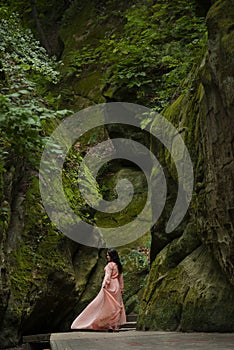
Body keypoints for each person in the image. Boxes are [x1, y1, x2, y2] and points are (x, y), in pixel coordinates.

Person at [71, 248, 126, 331]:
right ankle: (115, 326)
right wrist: (121, 288)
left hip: (110, 285)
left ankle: (108, 325)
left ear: (112, 256)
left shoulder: (109, 265)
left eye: (108, 255)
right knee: (117, 306)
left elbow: (107, 276)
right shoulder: (118, 266)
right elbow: (120, 278)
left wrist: (104, 284)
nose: (107, 257)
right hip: (117, 286)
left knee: (107, 305)